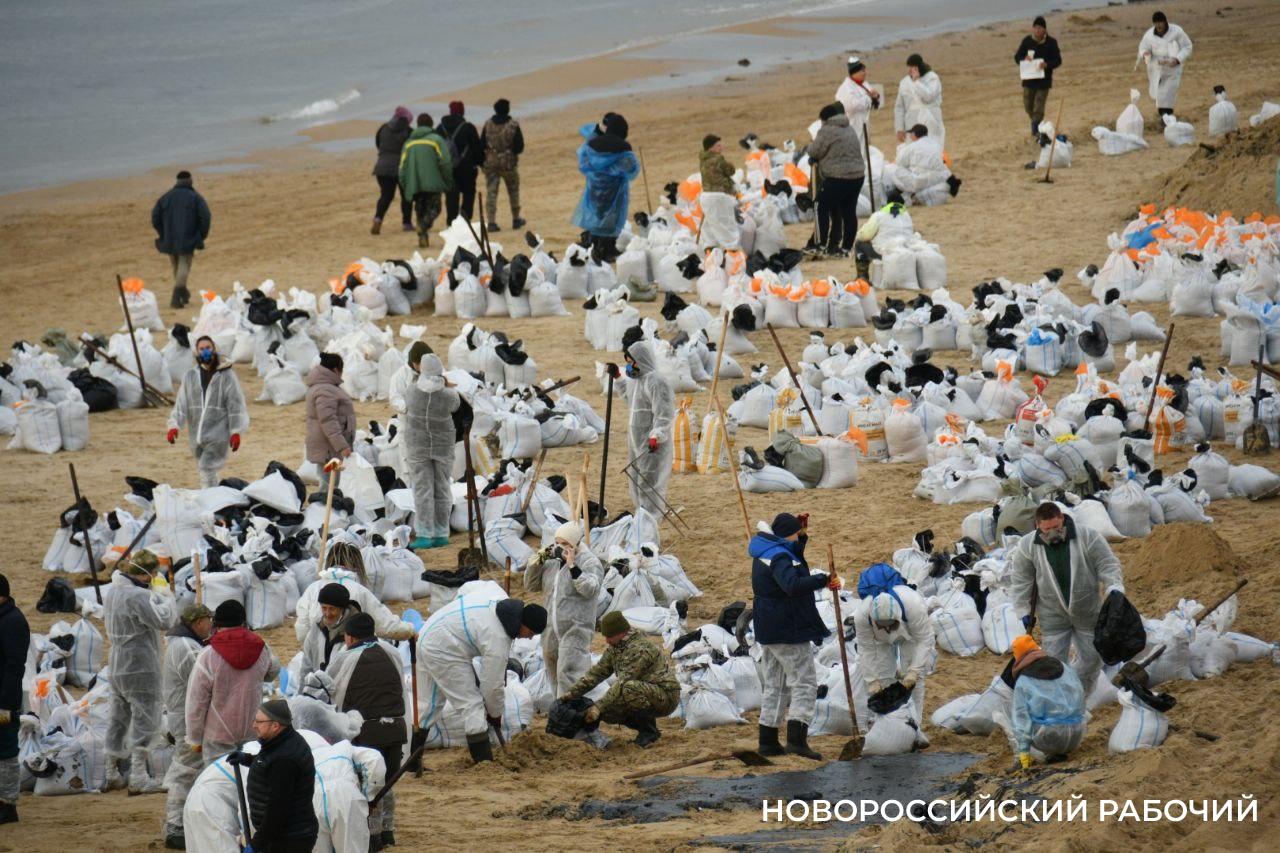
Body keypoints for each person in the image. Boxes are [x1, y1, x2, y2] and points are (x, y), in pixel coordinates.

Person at [1010, 502, 1124, 695]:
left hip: (1087, 611)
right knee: (1054, 662)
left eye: (1056, 527)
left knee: (1092, 658)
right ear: (1038, 526)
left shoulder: (1087, 536)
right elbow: (1022, 580)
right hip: (1052, 615)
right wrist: (1022, 609)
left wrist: (1114, 587)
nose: (1052, 532)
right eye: (1046, 529)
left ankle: (1079, 695)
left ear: (1062, 518)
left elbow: (1107, 563)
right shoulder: (1028, 545)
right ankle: (1060, 697)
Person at [416, 596, 547, 763]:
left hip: (429, 634)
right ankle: (484, 763)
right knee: (472, 705)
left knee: (430, 705)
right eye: (530, 633)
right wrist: (495, 713)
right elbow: (492, 685)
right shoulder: (498, 638)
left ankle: (413, 764)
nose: (529, 638)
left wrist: (493, 710)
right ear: (523, 623)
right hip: (444, 648)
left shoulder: (498, 607)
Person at [748, 512, 832, 760]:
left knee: (775, 684)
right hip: (787, 626)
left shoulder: (765, 549)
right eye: (797, 533)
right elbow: (792, 585)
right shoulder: (780, 556)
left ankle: (768, 741)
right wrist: (822, 580)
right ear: (788, 534)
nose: (799, 538)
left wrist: (801, 537)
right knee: (804, 681)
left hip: (768, 625)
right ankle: (797, 740)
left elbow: (793, 554)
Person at [327, 613, 407, 850]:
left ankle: (372, 838)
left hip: (366, 731)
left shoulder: (345, 657)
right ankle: (388, 832)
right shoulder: (391, 652)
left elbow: (331, 689)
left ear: (349, 637)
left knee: (366, 785)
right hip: (395, 727)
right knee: (387, 783)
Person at [104, 550, 178, 794]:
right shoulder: (138, 595)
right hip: (139, 664)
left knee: (118, 717)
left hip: (116, 662)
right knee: (146, 715)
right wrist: (165, 596)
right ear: (147, 574)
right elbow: (164, 621)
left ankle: (111, 772)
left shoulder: (113, 590)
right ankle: (138, 775)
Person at [560, 612, 679, 748]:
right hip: (644, 692)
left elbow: (623, 683)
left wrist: (598, 706)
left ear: (622, 632)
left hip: (666, 696)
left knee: (628, 689)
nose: (607, 641)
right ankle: (647, 730)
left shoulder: (638, 648)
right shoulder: (616, 648)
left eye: (609, 636)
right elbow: (596, 674)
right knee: (607, 712)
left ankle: (649, 732)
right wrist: (571, 693)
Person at [186, 600, 280, 766]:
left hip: (218, 733)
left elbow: (196, 700)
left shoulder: (208, 655)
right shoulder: (260, 648)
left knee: (220, 782)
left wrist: (194, 738)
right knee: (248, 780)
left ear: (217, 625)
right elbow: (272, 672)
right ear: (243, 623)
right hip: (253, 729)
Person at [524, 521, 604, 696]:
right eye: (558, 542)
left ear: (576, 544)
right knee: (552, 672)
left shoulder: (589, 562)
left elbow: (590, 589)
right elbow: (530, 585)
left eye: (566, 544)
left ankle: (569, 713)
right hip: (550, 628)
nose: (561, 547)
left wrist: (572, 566)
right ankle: (559, 708)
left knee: (569, 673)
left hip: (575, 628)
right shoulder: (552, 562)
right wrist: (537, 561)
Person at [854, 562, 936, 727]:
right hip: (879, 641)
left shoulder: (914, 606)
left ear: (897, 616)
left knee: (915, 680)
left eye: (891, 624)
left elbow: (924, 640)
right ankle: (888, 724)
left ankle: (915, 724)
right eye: (882, 625)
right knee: (884, 678)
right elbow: (866, 649)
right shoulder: (862, 616)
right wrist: (872, 681)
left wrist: (913, 671)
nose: (887, 629)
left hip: (909, 636)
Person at [233, 701, 318, 853]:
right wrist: (246, 759)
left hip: (288, 839)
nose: (254, 725)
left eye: (259, 721)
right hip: (284, 835)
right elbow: (269, 767)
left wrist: (256, 845)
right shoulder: (280, 743)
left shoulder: (285, 759)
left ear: (275, 726)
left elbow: (277, 811)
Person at [167, 335, 249, 488]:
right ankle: (216, 496)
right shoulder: (190, 377)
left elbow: (235, 405)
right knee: (207, 470)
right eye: (202, 349)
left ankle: (209, 501)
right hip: (196, 435)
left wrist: (236, 431)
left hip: (218, 434)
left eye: (208, 348)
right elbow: (181, 403)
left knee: (206, 469)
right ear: (196, 352)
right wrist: (174, 425)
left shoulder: (226, 376)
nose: (205, 351)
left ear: (214, 349)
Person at [161, 604, 212, 848]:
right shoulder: (187, 647)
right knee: (186, 769)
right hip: (187, 718)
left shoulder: (182, 644)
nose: (211, 625)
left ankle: (181, 821)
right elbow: (205, 681)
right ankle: (174, 825)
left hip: (182, 715)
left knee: (187, 768)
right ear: (199, 622)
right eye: (208, 620)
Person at [402, 347, 460, 549]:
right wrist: (446, 384)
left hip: (417, 446)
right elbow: (456, 406)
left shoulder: (412, 391)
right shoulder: (448, 395)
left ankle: (425, 534)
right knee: (442, 487)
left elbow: (407, 402)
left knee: (422, 489)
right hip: (443, 445)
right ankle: (442, 532)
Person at [1007, 635, 1087, 768]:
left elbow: (1021, 719)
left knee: (1016, 714)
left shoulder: (1023, 681)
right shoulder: (1063, 666)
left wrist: (1023, 752)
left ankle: (1053, 751)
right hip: (1077, 733)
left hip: (1048, 738)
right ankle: (1060, 754)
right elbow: (1080, 694)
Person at [572, 112, 640, 262]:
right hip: (614, 192)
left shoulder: (592, 145)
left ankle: (593, 245)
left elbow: (583, 161)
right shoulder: (623, 148)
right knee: (611, 221)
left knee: (597, 217)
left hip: (594, 191)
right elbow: (631, 170)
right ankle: (607, 249)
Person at [624, 339, 675, 518]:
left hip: (651, 441)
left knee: (648, 479)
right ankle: (642, 512)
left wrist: (657, 434)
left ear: (641, 360)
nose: (629, 367)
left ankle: (650, 516)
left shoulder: (656, 381)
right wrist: (617, 379)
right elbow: (630, 400)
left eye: (631, 362)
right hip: (636, 440)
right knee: (637, 476)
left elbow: (664, 412)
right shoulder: (638, 381)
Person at [807, 102, 866, 258]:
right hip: (858, 175)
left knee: (820, 205)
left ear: (824, 119)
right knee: (849, 211)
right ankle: (846, 248)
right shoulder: (849, 127)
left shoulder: (826, 130)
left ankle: (819, 245)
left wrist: (810, 152)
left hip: (839, 177)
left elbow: (815, 150)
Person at [151, 170, 211, 308]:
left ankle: (183, 294)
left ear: (177, 181)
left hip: (169, 238)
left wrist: (163, 232)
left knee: (176, 266)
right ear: (190, 181)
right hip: (188, 238)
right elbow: (205, 217)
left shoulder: (166, 197)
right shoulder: (195, 197)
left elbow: (155, 217)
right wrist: (201, 235)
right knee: (184, 264)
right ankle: (177, 294)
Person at [0, 574, 30, 826]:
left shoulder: (13, 622)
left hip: (3, 700)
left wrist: (6, 706)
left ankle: (8, 805)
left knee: (6, 750)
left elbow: (14, 667)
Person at [398, 113, 454, 248]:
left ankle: (422, 236)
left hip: (415, 182)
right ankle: (423, 226)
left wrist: (405, 184)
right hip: (433, 182)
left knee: (420, 210)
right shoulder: (436, 140)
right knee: (435, 208)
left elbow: (402, 167)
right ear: (430, 124)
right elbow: (445, 162)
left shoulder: (409, 143)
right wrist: (448, 180)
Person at [305, 352, 355, 496]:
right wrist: (342, 446)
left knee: (330, 482)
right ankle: (325, 514)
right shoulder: (326, 390)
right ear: (335, 370)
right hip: (329, 449)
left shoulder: (324, 386)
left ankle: (328, 512)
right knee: (329, 485)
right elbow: (328, 421)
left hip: (329, 446)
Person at [880, 124, 960, 207]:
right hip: (938, 178)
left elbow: (898, 162)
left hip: (920, 180)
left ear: (914, 135)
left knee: (889, 168)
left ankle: (891, 196)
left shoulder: (911, 147)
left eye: (911, 134)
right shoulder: (937, 145)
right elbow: (946, 162)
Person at [480, 98, 526, 232]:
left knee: (491, 193)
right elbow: (519, 147)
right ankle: (516, 219)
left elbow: (482, 144)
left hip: (491, 163)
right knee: (513, 192)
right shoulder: (513, 125)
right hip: (509, 164)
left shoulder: (488, 124)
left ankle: (492, 222)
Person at [1015, 16, 1063, 139]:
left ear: (1044, 30)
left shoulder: (1051, 43)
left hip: (1044, 81)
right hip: (1028, 80)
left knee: (1038, 106)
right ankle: (1038, 124)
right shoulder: (1027, 41)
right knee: (1028, 105)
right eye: (1035, 28)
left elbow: (1058, 60)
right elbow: (1017, 57)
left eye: (1040, 28)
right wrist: (1024, 59)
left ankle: (1036, 130)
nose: (1037, 30)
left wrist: (1047, 65)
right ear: (1032, 29)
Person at [299, 583, 361, 677]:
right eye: (324, 608)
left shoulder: (357, 631)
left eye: (332, 609)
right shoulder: (316, 630)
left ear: (342, 609)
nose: (327, 614)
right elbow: (306, 667)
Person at [1138, 11, 1192, 118]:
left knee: (1168, 95)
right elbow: (1143, 47)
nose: (1158, 25)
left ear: (1165, 22)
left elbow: (1187, 46)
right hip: (1157, 70)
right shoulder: (1149, 35)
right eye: (1156, 23)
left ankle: (1167, 119)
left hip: (1173, 70)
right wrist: (1145, 54)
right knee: (1160, 96)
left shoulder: (1176, 31)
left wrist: (1177, 59)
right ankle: (1164, 119)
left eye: (1160, 22)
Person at [371, 106, 414, 235]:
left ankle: (378, 219)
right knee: (406, 196)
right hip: (401, 168)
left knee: (386, 195)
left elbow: (378, 144)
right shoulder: (409, 131)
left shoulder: (383, 128)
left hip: (382, 167)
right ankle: (406, 223)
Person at [439, 101, 483, 226]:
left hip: (447, 168)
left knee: (451, 196)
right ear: (462, 111)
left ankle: (451, 222)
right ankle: (465, 219)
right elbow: (477, 148)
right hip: (467, 168)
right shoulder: (468, 127)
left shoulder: (440, 128)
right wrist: (480, 163)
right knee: (469, 193)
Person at [893, 54, 944, 149]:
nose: (911, 70)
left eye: (914, 67)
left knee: (933, 149)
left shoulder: (932, 78)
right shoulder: (904, 82)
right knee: (913, 151)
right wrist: (899, 128)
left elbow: (928, 97)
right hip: (912, 124)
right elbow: (899, 107)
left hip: (931, 122)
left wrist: (916, 82)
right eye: (910, 67)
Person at [698, 134, 739, 250]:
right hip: (719, 195)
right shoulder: (718, 158)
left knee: (711, 225)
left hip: (706, 196)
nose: (721, 148)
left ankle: (711, 250)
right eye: (718, 146)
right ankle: (732, 252)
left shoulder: (702, 159)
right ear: (711, 148)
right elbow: (731, 170)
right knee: (726, 225)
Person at [835, 56, 880, 143]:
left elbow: (874, 101)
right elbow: (852, 105)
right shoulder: (846, 88)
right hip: (852, 126)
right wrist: (869, 98)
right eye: (862, 71)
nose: (865, 73)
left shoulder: (865, 84)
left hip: (864, 125)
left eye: (865, 70)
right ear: (854, 73)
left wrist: (876, 97)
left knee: (865, 152)